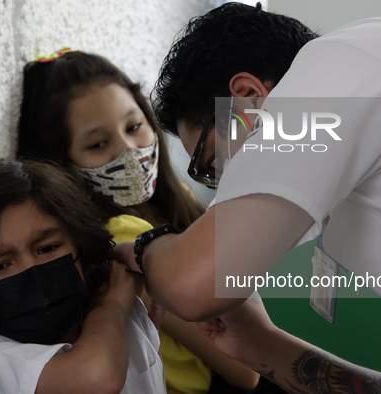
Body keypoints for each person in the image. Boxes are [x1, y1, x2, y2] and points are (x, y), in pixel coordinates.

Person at [113, 2, 381, 393]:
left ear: (248, 98)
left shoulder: (339, 63)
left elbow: (193, 284)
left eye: (214, 163)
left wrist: (148, 246)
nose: (224, 186)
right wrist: (261, 343)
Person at [16, 49, 259, 393]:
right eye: (98, 144)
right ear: (61, 166)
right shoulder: (123, 241)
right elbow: (245, 370)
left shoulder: (177, 205)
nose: (129, 151)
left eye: (133, 126)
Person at [0, 159, 165, 393]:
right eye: (0, 266)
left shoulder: (111, 292)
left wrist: (126, 252)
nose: (33, 272)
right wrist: (109, 307)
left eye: (47, 248)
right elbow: (98, 379)